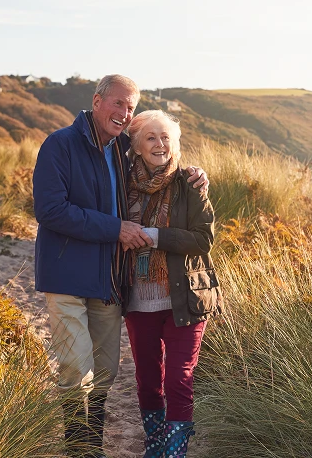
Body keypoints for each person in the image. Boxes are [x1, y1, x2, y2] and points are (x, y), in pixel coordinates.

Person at [32, 75, 208, 458]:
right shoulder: (59, 145)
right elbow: (49, 210)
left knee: (105, 372)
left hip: (111, 281)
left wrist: (196, 175)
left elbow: (161, 164)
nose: (124, 113)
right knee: (75, 371)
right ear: (97, 101)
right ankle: (81, 449)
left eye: (131, 107)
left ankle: (93, 446)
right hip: (66, 275)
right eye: (118, 104)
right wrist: (117, 229)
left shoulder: (120, 154)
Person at [123, 110, 222, 458]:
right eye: (150, 137)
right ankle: (154, 446)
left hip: (186, 297)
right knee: (149, 381)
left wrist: (154, 236)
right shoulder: (120, 183)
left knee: (178, 379)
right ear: (135, 145)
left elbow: (203, 239)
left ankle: (174, 453)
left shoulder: (190, 183)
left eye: (166, 137)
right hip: (137, 298)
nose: (160, 144)